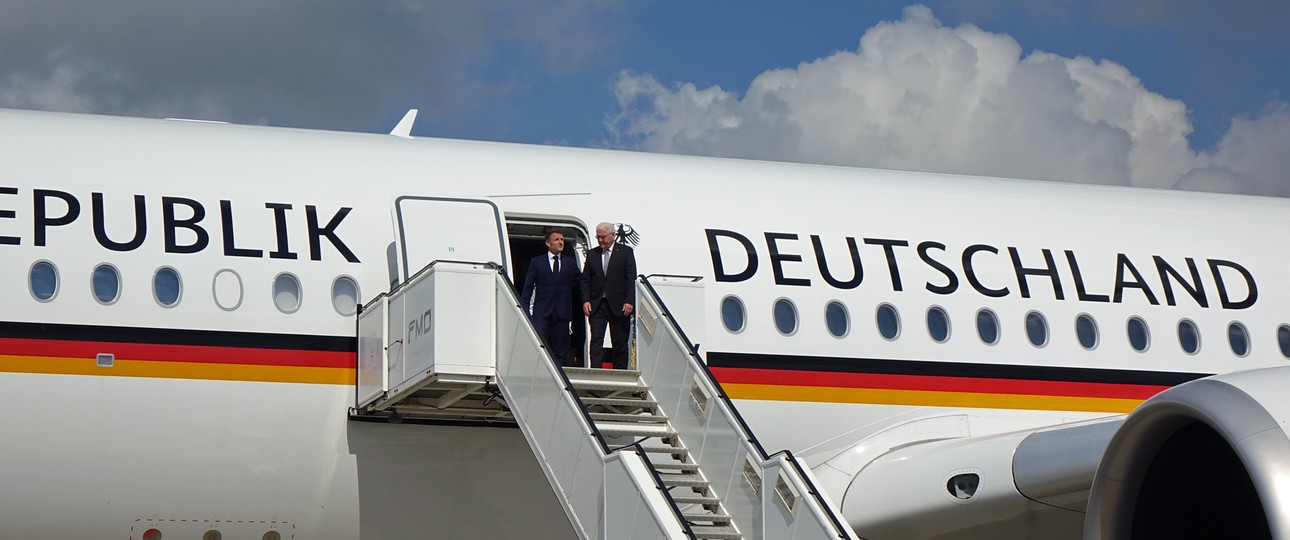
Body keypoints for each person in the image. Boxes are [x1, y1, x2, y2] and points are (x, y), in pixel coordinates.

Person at [520, 230, 580, 365]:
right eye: (557, 239)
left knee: (560, 350)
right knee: (540, 346)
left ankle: (561, 380)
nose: (560, 242)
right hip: (542, 312)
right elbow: (528, 287)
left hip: (562, 313)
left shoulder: (570, 263)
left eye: (562, 240)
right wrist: (523, 308)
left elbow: (581, 283)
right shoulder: (537, 262)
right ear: (548, 243)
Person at [581, 222, 636, 369]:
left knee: (619, 340)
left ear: (613, 236)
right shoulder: (593, 254)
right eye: (598, 237)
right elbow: (585, 280)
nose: (600, 240)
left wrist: (629, 301)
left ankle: (620, 372)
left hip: (619, 304)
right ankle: (596, 371)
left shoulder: (625, 252)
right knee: (596, 340)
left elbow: (630, 278)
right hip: (598, 304)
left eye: (603, 237)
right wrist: (586, 300)